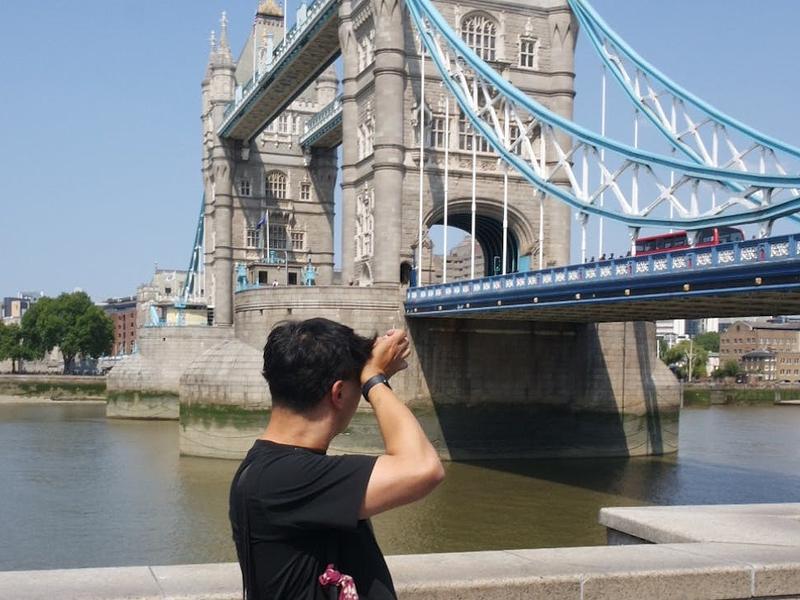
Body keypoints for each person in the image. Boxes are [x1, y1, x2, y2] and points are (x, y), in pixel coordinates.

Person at [229, 318, 445, 600]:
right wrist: (374, 379)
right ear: (339, 393)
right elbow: (423, 468)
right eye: (357, 387)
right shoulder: (286, 478)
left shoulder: (273, 470)